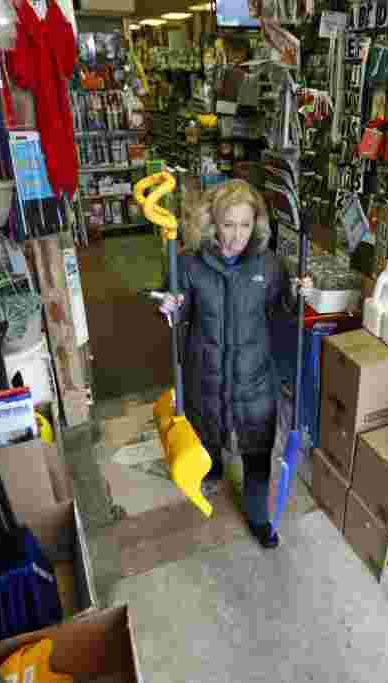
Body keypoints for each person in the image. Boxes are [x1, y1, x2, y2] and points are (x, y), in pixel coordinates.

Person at [158, 179, 311, 549]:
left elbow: (281, 313)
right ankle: (210, 468)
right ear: (213, 224)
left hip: (254, 379)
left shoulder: (271, 266)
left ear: (255, 226)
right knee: (207, 435)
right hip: (205, 376)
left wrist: (295, 296)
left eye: (244, 225)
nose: (236, 235)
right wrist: (169, 306)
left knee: (257, 455)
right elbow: (179, 310)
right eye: (228, 224)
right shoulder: (189, 265)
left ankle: (258, 517)